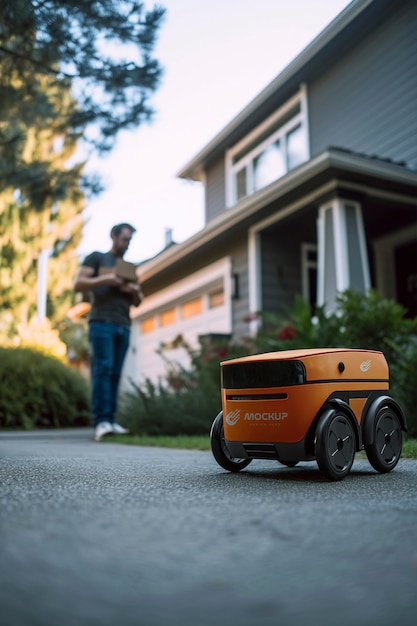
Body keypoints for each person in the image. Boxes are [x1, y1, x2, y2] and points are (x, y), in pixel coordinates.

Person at [73, 223, 143, 441]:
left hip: (124, 324)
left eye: (130, 240)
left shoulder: (130, 268)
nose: (127, 244)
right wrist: (105, 279)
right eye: (124, 239)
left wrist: (136, 290)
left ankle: (111, 420)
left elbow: (138, 302)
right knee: (103, 369)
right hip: (101, 322)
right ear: (113, 236)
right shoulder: (97, 258)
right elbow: (78, 284)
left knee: (115, 373)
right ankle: (101, 421)